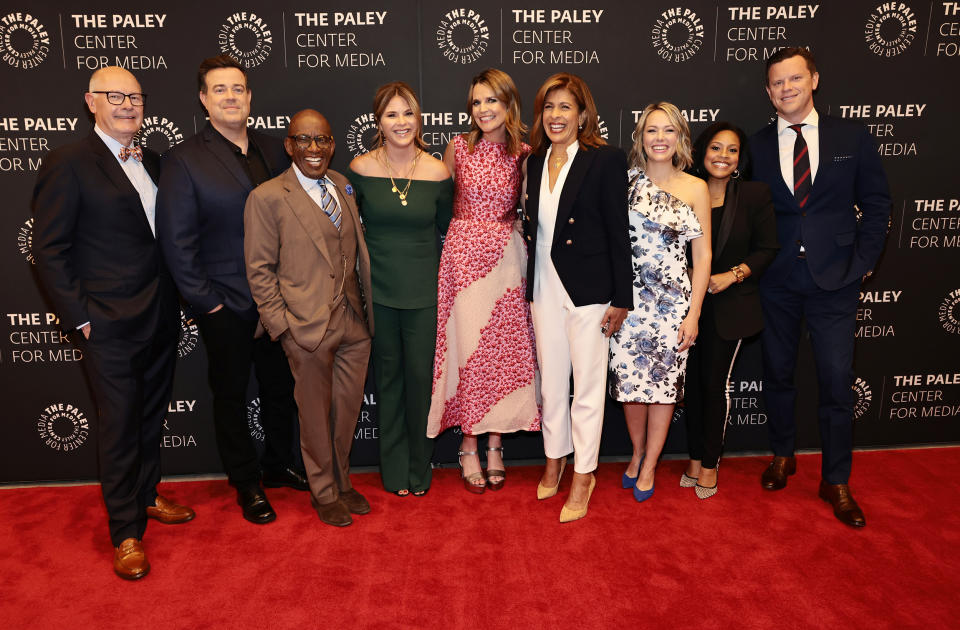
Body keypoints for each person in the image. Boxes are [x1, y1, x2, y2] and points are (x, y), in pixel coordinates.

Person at [32, 66, 193, 580]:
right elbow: (49, 250)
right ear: (91, 102)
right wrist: (79, 317)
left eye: (135, 97)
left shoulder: (159, 163)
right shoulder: (69, 163)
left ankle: (145, 496)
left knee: (150, 417)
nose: (127, 104)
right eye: (115, 96)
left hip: (161, 315)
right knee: (120, 426)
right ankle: (125, 531)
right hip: (107, 324)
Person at [156, 55, 304, 526]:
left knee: (282, 390)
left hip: (279, 301)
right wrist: (209, 305)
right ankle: (246, 483)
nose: (230, 97)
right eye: (219, 90)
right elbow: (177, 242)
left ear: (250, 96)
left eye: (237, 88)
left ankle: (278, 465)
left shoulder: (274, 150)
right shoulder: (184, 159)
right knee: (231, 396)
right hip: (226, 303)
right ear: (203, 99)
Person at [750, 47, 890, 527]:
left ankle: (836, 480)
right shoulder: (756, 146)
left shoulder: (851, 135)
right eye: (777, 83)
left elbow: (876, 204)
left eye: (794, 79)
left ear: (813, 79)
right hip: (777, 281)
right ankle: (783, 455)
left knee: (835, 381)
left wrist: (864, 262)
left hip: (836, 281)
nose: (786, 88)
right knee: (777, 373)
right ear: (768, 92)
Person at [245, 109, 375, 527]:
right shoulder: (266, 197)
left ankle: (341, 481)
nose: (315, 149)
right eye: (304, 140)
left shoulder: (342, 185)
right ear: (289, 145)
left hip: (354, 321)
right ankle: (322, 492)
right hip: (306, 327)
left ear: (333, 144)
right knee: (315, 416)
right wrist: (282, 326)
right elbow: (260, 269)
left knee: (345, 411)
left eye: (322, 140)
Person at [523, 73, 632, 522]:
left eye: (565, 107)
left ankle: (584, 473)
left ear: (583, 113)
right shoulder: (533, 161)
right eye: (549, 108)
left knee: (587, 389)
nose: (555, 116)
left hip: (590, 290)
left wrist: (621, 297)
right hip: (544, 287)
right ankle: (555, 459)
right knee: (552, 384)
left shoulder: (605, 159)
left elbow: (617, 230)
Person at [426, 68, 541, 494]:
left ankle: (496, 446)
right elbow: (440, 205)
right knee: (468, 353)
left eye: (491, 100)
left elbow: (532, 212)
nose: (483, 109)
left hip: (508, 261)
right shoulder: (457, 147)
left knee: (502, 353)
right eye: (476, 102)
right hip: (462, 258)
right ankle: (469, 445)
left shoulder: (524, 153)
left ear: (509, 103)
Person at [347, 82, 452, 497]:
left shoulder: (439, 171)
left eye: (408, 113)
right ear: (378, 121)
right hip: (379, 293)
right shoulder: (359, 169)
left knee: (421, 380)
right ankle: (393, 469)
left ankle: (418, 467)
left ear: (419, 118)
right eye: (392, 114)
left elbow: (448, 229)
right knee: (387, 379)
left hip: (425, 292)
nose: (401, 122)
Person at [609, 102, 711, 503]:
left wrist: (694, 313)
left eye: (668, 130)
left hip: (673, 305)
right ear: (640, 137)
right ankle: (636, 453)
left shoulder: (695, 188)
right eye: (652, 130)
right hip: (629, 303)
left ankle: (651, 462)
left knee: (664, 389)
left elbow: (702, 258)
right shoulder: (625, 183)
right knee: (632, 387)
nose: (660, 138)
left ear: (680, 138)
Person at [681, 122, 779, 499]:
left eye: (732, 150)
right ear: (702, 153)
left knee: (712, 385)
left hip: (730, 306)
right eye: (716, 148)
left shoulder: (753, 195)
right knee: (690, 388)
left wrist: (731, 276)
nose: (723, 156)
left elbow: (768, 248)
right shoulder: (687, 191)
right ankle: (692, 458)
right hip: (687, 307)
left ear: (740, 158)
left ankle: (709, 464)